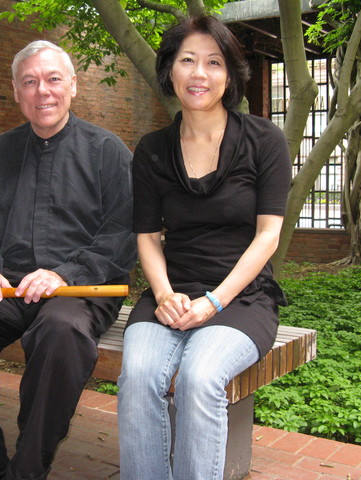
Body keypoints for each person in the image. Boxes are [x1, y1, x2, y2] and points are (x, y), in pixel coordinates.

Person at [0, 40, 136, 480]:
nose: (43, 91)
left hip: (79, 290)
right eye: (30, 82)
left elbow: (123, 233)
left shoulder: (107, 152)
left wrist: (63, 273)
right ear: (17, 92)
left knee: (61, 331)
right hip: (6, 289)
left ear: (73, 86)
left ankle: (29, 468)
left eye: (54, 79)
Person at [117, 15, 292, 480]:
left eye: (214, 62)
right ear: (169, 70)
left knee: (199, 377)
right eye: (187, 60)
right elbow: (147, 237)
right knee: (137, 377)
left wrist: (214, 301)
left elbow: (268, 235)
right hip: (171, 292)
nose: (199, 74)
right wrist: (164, 293)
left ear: (230, 74)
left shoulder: (264, 141)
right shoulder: (152, 150)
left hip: (242, 295)